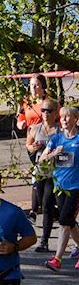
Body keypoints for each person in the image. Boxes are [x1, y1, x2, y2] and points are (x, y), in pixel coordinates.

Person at [40, 105, 79, 271]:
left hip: (76, 187)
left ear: (76, 119)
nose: (63, 119)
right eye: (62, 116)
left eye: (67, 116)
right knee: (68, 222)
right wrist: (54, 154)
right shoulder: (56, 139)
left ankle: (57, 259)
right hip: (59, 187)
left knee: (64, 220)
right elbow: (42, 159)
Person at [26, 98, 60, 252]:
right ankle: (62, 216)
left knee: (46, 205)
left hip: (55, 173)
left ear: (56, 113)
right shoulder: (35, 129)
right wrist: (33, 147)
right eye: (43, 110)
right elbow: (29, 145)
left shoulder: (60, 131)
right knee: (42, 203)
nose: (45, 113)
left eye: (49, 110)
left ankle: (44, 241)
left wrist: (51, 150)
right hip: (39, 172)